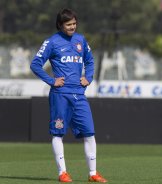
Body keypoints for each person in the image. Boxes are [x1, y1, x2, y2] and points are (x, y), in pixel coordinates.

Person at [30, 8, 107, 183]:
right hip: (60, 95)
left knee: (89, 133)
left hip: (79, 94)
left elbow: (89, 60)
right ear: (60, 25)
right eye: (68, 24)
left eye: (74, 24)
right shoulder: (51, 42)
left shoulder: (80, 40)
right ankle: (62, 173)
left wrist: (88, 77)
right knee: (58, 134)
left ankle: (93, 173)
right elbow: (35, 64)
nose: (72, 27)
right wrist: (51, 80)